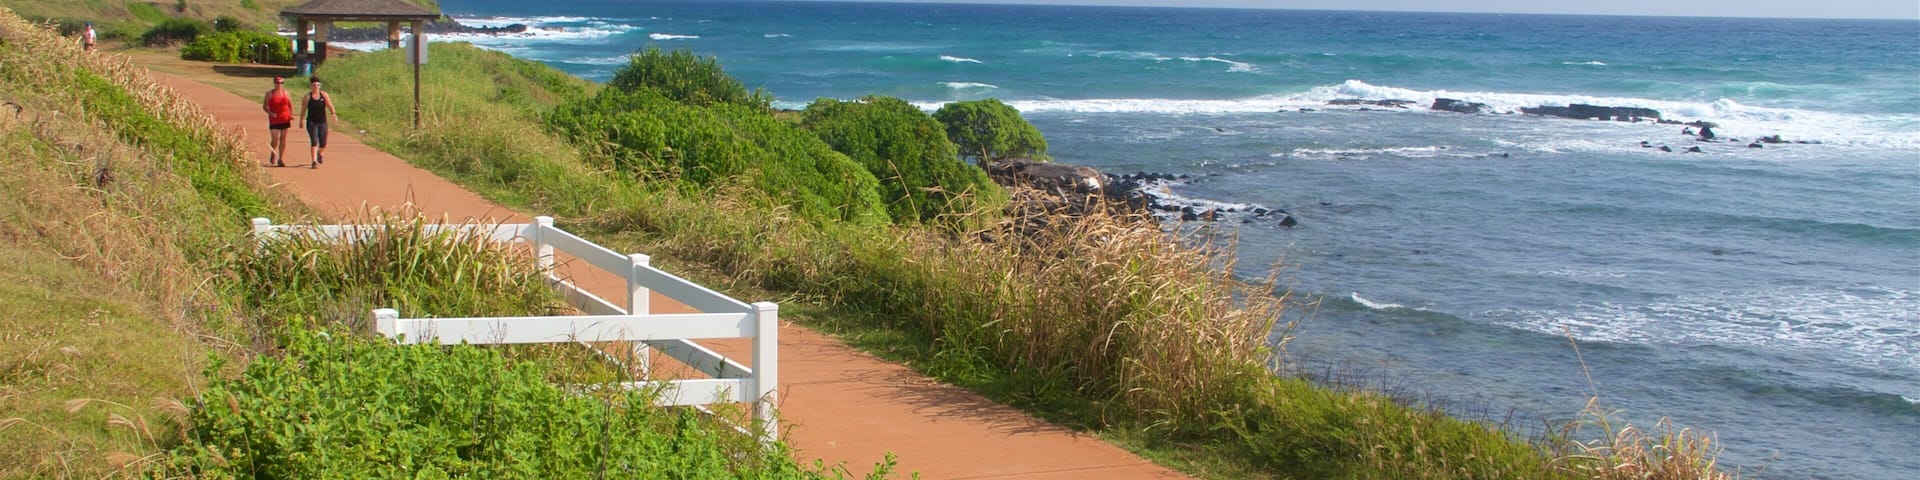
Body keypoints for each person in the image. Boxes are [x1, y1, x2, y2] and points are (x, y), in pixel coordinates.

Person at [297, 76, 338, 169]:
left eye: (318, 85)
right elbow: (303, 110)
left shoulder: (324, 95)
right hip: (311, 122)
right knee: (314, 141)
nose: (316, 86)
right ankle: (314, 161)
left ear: (320, 86)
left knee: (323, 143)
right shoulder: (307, 97)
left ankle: (320, 152)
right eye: (314, 85)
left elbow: (330, 105)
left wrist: (333, 113)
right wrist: (301, 121)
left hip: (322, 122)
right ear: (311, 86)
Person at [260, 76, 293, 167]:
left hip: (285, 117)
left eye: (282, 83)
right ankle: (273, 152)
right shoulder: (269, 94)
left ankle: (281, 159)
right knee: (275, 139)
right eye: (278, 83)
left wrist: (291, 114)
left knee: (283, 138)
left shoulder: (286, 93)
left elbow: (290, 104)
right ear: (274, 83)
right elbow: (265, 106)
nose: (280, 85)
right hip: (274, 119)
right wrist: (270, 112)